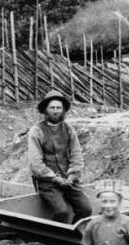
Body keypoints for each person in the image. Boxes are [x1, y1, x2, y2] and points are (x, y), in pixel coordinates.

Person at [27, 89, 91, 224]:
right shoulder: (36, 131)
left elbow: (76, 155)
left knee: (86, 209)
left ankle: (72, 235)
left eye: (58, 108)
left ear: (63, 110)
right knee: (61, 212)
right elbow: (35, 163)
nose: (55, 111)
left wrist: (72, 175)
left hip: (68, 181)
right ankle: (55, 237)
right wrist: (53, 178)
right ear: (45, 110)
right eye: (52, 108)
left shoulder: (68, 129)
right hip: (48, 183)